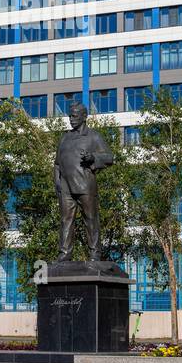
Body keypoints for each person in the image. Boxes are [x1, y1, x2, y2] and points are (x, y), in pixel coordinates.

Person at [53, 101, 114, 261]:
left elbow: (109, 157)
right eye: (69, 116)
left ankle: (95, 253)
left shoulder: (93, 136)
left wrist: (93, 157)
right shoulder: (64, 137)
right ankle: (64, 253)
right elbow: (57, 164)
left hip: (85, 185)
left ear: (84, 116)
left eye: (74, 116)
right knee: (66, 220)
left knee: (91, 219)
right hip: (65, 187)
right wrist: (57, 182)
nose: (71, 119)